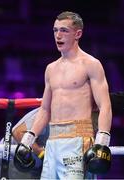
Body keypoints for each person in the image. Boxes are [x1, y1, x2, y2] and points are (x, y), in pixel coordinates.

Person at [14, 11, 112, 179]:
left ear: (78, 34)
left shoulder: (91, 64)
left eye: (64, 30)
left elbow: (105, 105)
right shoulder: (51, 69)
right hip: (52, 144)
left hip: (78, 140)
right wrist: (28, 141)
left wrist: (102, 143)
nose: (58, 35)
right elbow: (45, 110)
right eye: (55, 30)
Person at [0, 108, 49, 179]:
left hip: (36, 167)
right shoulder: (45, 112)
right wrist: (42, 153)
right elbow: (19, 133)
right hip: (12, 161)